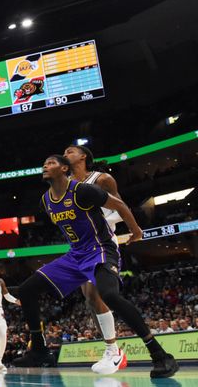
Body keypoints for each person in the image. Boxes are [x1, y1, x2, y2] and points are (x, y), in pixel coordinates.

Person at [14, 155, 179, 379]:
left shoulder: (82, 190)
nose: (45, 165)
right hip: (75, 256)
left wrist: (136, 231)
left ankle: (159, 354)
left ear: (64, 168)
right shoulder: (46, 200)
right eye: (44, 163)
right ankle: (40, 350)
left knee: (109, 295)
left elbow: (119, 204)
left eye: (51, 163)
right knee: (25, 290)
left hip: (100, 249)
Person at [64, 144, 130, 374]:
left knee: (95, 294)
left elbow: (120, 209)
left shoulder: (102, 179)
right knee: (89, 299)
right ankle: (111, 350)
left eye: (70, 151)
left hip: (102, 242)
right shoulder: (67, 186)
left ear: (83, 157)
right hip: (82, 246)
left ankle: (114, 351)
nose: (65, 154)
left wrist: (101, 224)